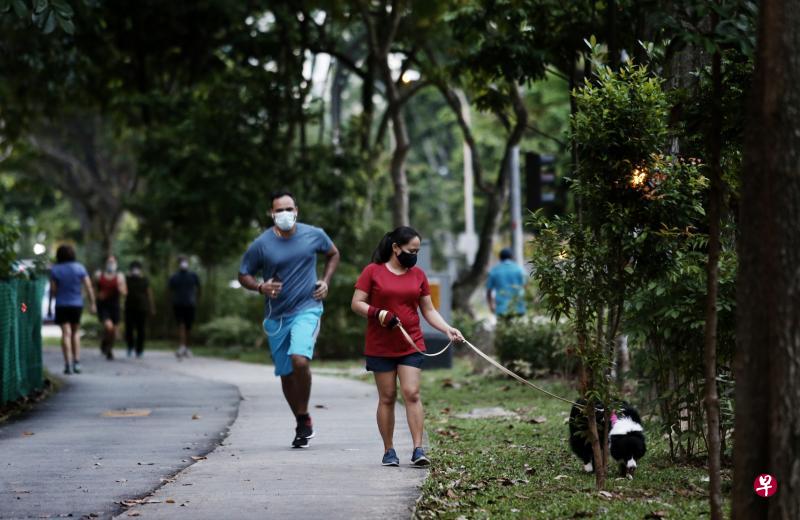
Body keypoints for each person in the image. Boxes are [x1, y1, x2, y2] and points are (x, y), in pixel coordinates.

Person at [351, 226, 464, 467]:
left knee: (412, 393)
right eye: (411, 250)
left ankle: (418, 449)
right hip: (380, 345)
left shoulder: (418, 275)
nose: (414, 255)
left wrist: (447, 329)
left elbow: (429, 310)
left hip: (410, 342)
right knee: (388, 397)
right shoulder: (373, 272)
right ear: (395, 248)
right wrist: (378, 313)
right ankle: (389, 450)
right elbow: (357, 303)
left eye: (417, 251)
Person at [238, 190, 340, 449]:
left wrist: (325, 282)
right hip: (276, 317)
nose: (284, 214)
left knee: (299, 360)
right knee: (285, 374)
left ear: (297, 210)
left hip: (308, 308)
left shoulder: (313, 234)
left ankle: (303, 415)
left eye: (289, 209)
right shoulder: (261, 244)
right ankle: (302, 421)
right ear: (272, 214)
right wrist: (260, 287)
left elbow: (333, 253)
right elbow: (244, 273)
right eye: (279, 210)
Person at [49, 245, 96, 375]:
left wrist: (53, 301)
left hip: (61, 305)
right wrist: (92, 303)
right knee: (75, 333)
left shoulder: (55, 270)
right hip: (76, 305)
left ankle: (67, 364)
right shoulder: (79, 268)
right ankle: (77, 362)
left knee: (65, 333)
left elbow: (53, 291)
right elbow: (89, 286)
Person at [95, 254, 127, 360]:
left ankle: (108, 347)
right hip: (103, 306)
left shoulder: (120, 276)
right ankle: (107, 346)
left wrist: (120, 288)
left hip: (115, 306)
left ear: (116, 263)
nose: (111, 264)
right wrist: (96, 298)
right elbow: (92, 289)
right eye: (109, 262)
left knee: (113, 331)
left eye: (113, 262)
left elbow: (125, 292)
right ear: (105, 263)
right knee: (109, 327)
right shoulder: (99, 275)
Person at [169, 255, 201, 359]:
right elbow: (169, 291)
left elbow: (199, 288)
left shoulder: (193, 275)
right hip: (178, 304)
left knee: (189, 327)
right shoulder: (174, 277)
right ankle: (181, 346)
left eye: (185, 261)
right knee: (181, 325)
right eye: (182, 261)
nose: (184, 263)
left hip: (190, 304)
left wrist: (197, 300)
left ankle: (187, 347)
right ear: (179, 263)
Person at [124, 260, 155, 358]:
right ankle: (130, 346)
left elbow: (149, 294)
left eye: (137, 268)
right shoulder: (127, 279)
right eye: (133, 268)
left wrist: (152, 307)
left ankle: (139, 350)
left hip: (142, 308)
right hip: (129, 308)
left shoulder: (145, 280)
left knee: (141, 330)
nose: (135, 270)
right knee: (129, 329)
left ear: (141, 270)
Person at [486, 247, 527, 318]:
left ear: (500, 258)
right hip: (518, 307)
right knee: (518, 328)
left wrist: (491, 305)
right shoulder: (519, 269)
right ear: (512, 257)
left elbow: (489, 291)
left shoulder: (494, 270)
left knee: (503, 328)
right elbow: (526, 286)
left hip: (501, 308)